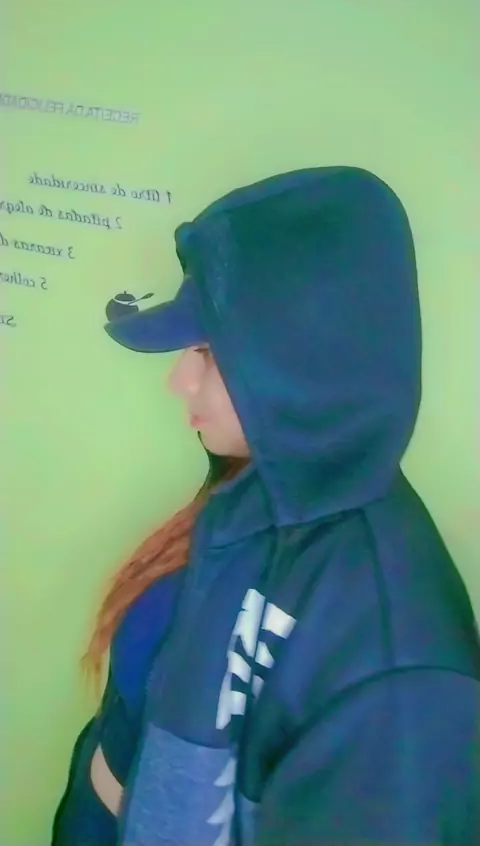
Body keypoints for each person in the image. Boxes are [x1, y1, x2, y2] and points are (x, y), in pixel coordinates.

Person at [52, 166, 480, 845]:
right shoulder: (252, 496)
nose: (177, 381)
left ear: (302, 364)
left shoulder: (401, 669)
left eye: (205, 352)